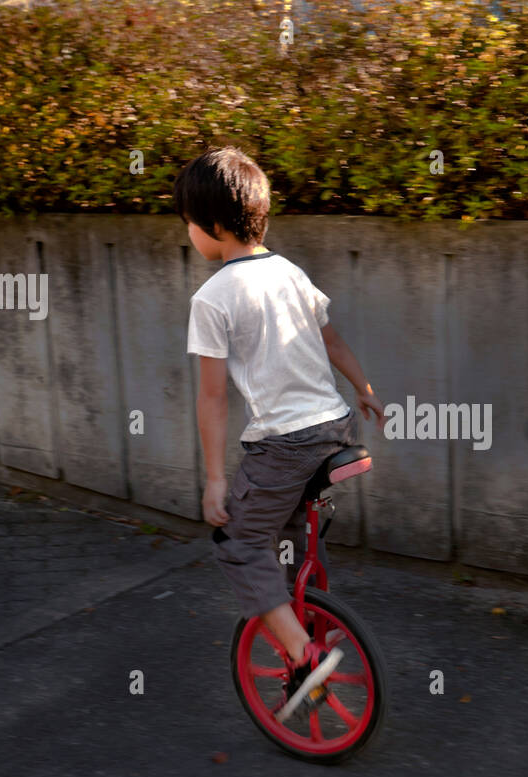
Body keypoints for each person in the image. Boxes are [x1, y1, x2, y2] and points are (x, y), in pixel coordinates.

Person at [176, 146, 384, 721]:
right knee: (288, 535)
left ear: (213, 227)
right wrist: (364, 390)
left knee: (238, 543)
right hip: (335, 428)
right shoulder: (290, 271)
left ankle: (302, 651)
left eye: (189, 225)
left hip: (284, 443)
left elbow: (212, 396)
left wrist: (216, 480)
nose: (190, 235)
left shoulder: (211, 298)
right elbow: (332, 341)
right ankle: (308, 618)